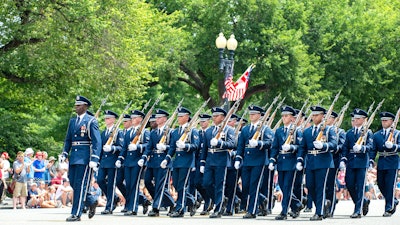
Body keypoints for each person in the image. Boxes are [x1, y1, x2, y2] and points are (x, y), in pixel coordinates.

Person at [60, 95, 102, 221]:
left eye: (79, 105)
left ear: (85, 106)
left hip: (85, 158)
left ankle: (76, 214)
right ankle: (91, 200)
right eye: (76, 105)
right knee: (73, 181)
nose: (76, 107)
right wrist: (64, 153)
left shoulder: (91, 121)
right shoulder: (73, 121)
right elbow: (68, 139)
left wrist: (94, 158)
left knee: (80, 185)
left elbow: (97, 141)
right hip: (74, 158)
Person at [300, 106, 337, 221]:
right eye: (313, 115)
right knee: (310, 187)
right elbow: (302, 147)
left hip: (323, 161)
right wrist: (300, 160)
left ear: (323, 116)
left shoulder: (329, 130)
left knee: (320, 187)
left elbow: (334, 144)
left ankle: (319, 212)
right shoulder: (307, 131)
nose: (314, 117)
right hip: (311, 161)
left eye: (317, 115)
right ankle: (323, 204)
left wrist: (324, 146)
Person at [235, 105, 273, 218]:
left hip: (259, 161)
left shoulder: (265, 129)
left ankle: (252, 211)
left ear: (260, 115)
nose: (251, 116)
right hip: (247, 161)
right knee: (246, 186)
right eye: (250, 114)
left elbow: (269, 143)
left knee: (254, 186)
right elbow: (240, 146)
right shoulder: (246, 129)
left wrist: (259, 144)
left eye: (254, 114)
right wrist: (238, 158)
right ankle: (262, 200)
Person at [269, 106, 304, 220]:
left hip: (291, 162)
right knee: (283, 187)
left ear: (293, 118)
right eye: (283, 116)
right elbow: (275, 147)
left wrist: (291, 147)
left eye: (286, 116)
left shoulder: (297, 131)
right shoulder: (279, 131)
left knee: (287, 187)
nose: (284, 118)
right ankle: (297, 204)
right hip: (281, 162)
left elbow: (300, 147)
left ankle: (284, 211)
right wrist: (272, 160)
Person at [163, 107, 200, 217]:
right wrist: (167, 158)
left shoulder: (193, 131)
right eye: (178, 116)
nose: (178, 118)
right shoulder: (175, 132)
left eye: (181, 116)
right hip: (177, 161)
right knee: (176, 184)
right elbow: (172, 148)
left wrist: (186, 146)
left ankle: (180, 209)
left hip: (187, 161)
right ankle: (192, 201)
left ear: (187, 117)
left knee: (182, 186)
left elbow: (196, 146)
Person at [200, 107, 235, 218]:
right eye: (213, 116)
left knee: (220, 185)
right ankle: (220, 200)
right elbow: (205, 148)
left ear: (223, 117)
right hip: (210, 160)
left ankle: (218, 209)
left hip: (222, 159)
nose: (214, 118)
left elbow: (232, 144)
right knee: (206, 183)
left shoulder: (228, 130)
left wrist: (220, 143)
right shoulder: (209, 131)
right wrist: (202, 162)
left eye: (217, 116)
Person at [139, 109, 176, 217]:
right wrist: (144, 157)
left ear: (165, 119)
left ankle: (156, 208)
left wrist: (166, 148)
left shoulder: (170, 132)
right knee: (147, 182)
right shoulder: (153, 132)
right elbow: (149, 147)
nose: (157, 119)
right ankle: (171, 203)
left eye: (159, 117)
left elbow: (173, 147)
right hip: (153, 161)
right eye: (157, 117)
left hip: (163, 161)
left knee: (160, 185)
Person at [340, 108, 373, 218]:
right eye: (354, 118)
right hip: (351, 162)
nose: (355, 120)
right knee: (349, 184)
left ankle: (357, 210)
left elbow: (370, 146)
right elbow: (345, 147)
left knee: (360, 186)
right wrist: (343, 160)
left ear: (364, 119)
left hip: (362, 162)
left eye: (358, 118)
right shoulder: (349, 133)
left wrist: (362, 148)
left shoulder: (368, 132)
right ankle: (363, 201)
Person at [117, 110, 150, 216]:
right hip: (128, 162)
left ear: (141, 119)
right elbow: (124, 148)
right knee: (128, 185)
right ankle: (130, 205)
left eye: (135, 117)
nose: (132, 119)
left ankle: (133, 208)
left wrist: (138, 147)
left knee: (134, 185)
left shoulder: (145, 132)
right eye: (132, 117)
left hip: (137, 161)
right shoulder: (129, 132)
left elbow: (148, 145)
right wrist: (120, 158)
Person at [370, 111, 400, 217]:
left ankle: (388, 208)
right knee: (381, 184)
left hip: (393, 161)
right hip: (382, 161)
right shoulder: (377, 135)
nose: (383, 122)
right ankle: (394, 200)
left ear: (392, 121)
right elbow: (373, 150)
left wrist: (393, 146)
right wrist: (371, 160)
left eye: (386, 120)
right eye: (382, 120)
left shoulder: (397, 133)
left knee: (390, 185)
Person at [98, 110, 124, 215]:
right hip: (103, 162)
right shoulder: (103, 133)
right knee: (100, 180)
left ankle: (109, 207)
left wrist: (112, 148)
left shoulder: (118, 132)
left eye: (108, 118)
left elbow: (121, 147)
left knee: (110, 184)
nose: (106, 120)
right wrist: (97, 161)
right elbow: (100, 148)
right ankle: (114, 197)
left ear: (113, 119)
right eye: (105, 118)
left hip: (113, 162)